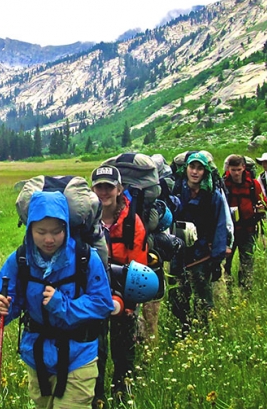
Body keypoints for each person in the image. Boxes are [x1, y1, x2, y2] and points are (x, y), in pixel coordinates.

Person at [0, 190, 114, 409]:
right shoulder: (20, 259)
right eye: (41, 232)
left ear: (65, 227)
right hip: (37, 359)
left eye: (56, 232)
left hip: (79, 355)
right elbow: (9, 302)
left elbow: (103, 304)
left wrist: (63, 306)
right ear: (29, 230)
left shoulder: (85, 257)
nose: (48, 239)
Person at [90, 165, 146, 403]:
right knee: (96, 352)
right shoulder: (85, 221)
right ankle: (97, 398)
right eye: (99, 187)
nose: (104, 192)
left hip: (124, 297)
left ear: (119, 189)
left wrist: (124, 302)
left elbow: (138, 269)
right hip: (93, 297)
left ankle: (123, 396)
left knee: (123, 353)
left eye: (108, 187)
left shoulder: (132, 222)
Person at [170, 152, 228, 334]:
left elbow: (220, 225)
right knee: (179, 295)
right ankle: (184, 329)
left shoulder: (213, 196)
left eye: (199, 168)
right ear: (185, 168)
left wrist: (217, 258)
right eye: (192, 167)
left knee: (203, 296)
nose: (195, 172)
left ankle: (204, 332)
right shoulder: (176, 193)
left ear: (205, 172)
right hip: (178, 253)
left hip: (202, 254)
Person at [223, 155, 266, 290]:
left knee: (247, 264)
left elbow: (264, 203)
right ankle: (227, 291)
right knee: (225, 264)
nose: (236, 173)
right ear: (228, 169)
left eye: (238, 169)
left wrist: (261, 207)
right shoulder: (224, 184)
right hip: (229, 232)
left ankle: (246, 292)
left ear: (243, 168)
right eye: (233, 170)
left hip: (248, 230)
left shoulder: (253, 184)